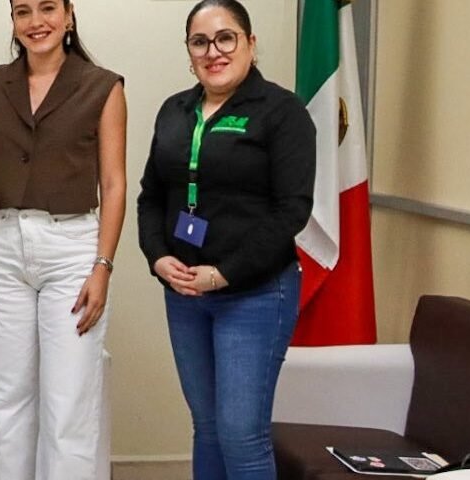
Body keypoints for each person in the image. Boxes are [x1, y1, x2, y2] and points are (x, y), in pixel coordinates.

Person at [137, 1, 315, 478]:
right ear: (189, 51)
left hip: (255, 294)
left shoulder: (282, 112)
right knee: (209, 427)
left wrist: (223, 274)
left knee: (241, 433)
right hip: (185, 294)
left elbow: (292, 210)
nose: (213, 51)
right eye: (200, 42)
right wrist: (158, 257)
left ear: (250, 44)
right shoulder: (174, 111)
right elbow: (151, 196)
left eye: (225, 38)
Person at [0, 0, 126, 478]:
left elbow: (114, 184)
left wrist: (102, 267)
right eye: (23, 11)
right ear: (13, 22)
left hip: (72, 248)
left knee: (69, 402)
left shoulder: (103, 86)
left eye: (47, 8)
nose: (36, 22)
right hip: (1, 245)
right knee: (5, 400)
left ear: (69, 15)